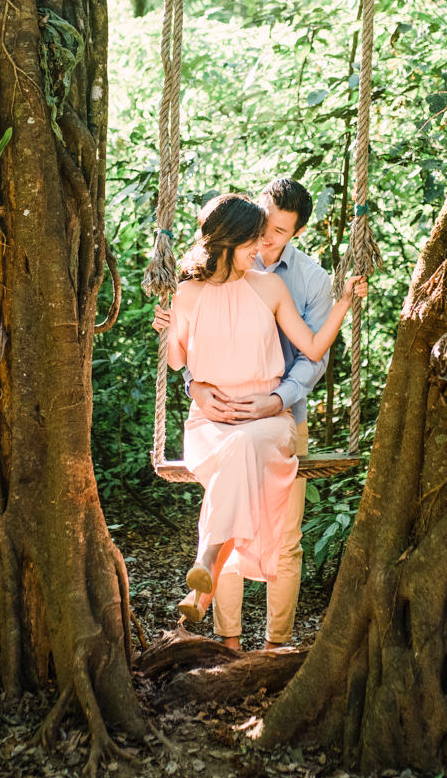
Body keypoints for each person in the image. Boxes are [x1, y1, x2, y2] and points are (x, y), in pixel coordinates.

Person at [153, 193, 364, 626]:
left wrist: (343, 304)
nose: (261, 250)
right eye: (253, 241)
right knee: (235, 447)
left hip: (270, 420)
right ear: (229, 242)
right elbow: (177, 362)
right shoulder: (189, 292)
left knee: (245, 444)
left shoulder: (269, 286)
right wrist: (171, 326)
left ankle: (206, 564)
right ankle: (207, 581)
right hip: (211, 423)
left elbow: (311, 347)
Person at [188, 179, 328, 650]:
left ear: (297, 233)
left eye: (280, 232)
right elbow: (195, 344)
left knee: (285, 537)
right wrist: (195, 385)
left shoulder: (309, 279)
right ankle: (228, 642)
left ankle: (276, 645)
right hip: (224, 418)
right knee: (230, 517)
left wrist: (277, 400)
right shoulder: (217, 271)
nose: (266, 240)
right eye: (262, 226)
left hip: (281, 416)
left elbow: (313, 356)